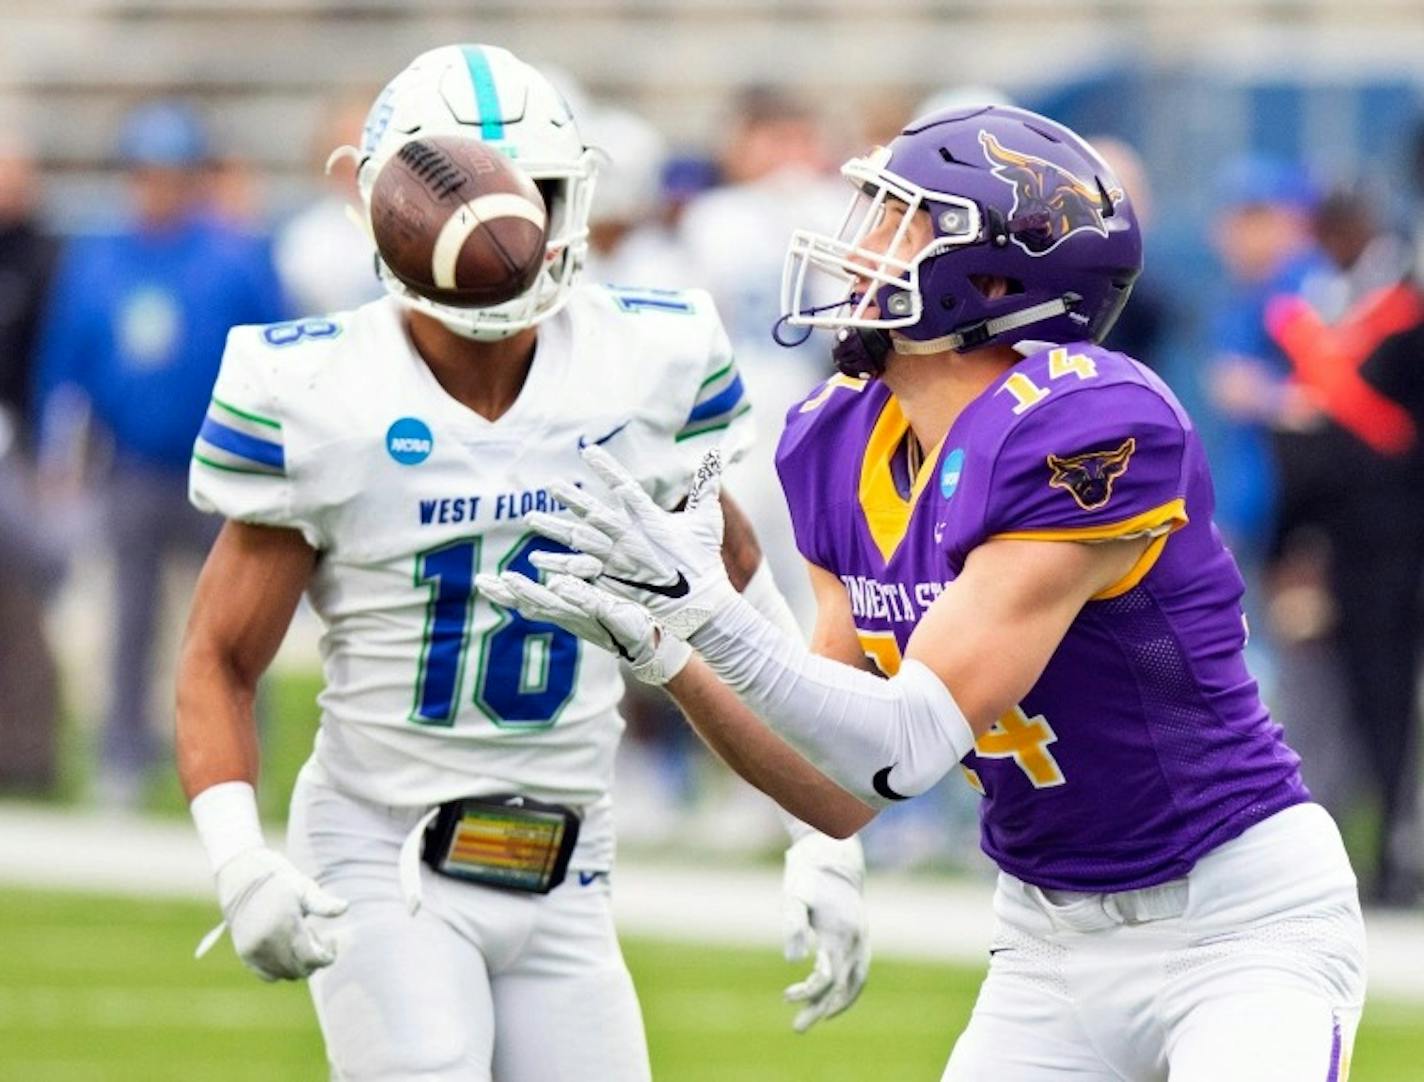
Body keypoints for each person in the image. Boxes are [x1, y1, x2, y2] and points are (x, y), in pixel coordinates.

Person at [488, 105, 1368, 1081]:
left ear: (989, 280)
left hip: (1232, 925)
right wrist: (668, 649)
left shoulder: (1089, 429)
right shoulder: (833, 438)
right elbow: (833, 780)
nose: (856, 247)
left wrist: (714, 616)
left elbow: (905, 742)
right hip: (1044, 943)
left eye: (898, 221)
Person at [175, 44, 867, 1082]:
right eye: (465, 202)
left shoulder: (647, 361)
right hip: (380, 844)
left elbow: (740, 611)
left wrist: (821, 834)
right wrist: (238, 857)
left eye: (531, 197)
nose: (500, 231)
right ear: (384, 209)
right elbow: (220, 654)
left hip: (571, 859)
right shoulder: (318, 385)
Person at [31, 100, 287, 807]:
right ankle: (121, 759)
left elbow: (281, 356)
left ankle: (242, 763)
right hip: (134, 465)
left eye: (171, 174)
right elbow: (65, 361)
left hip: (223, 466)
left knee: (235, 625)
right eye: (146, 174)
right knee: (130, 622)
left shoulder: (233, 256)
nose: (158, 188)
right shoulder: (99, 258)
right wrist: (59, 448)